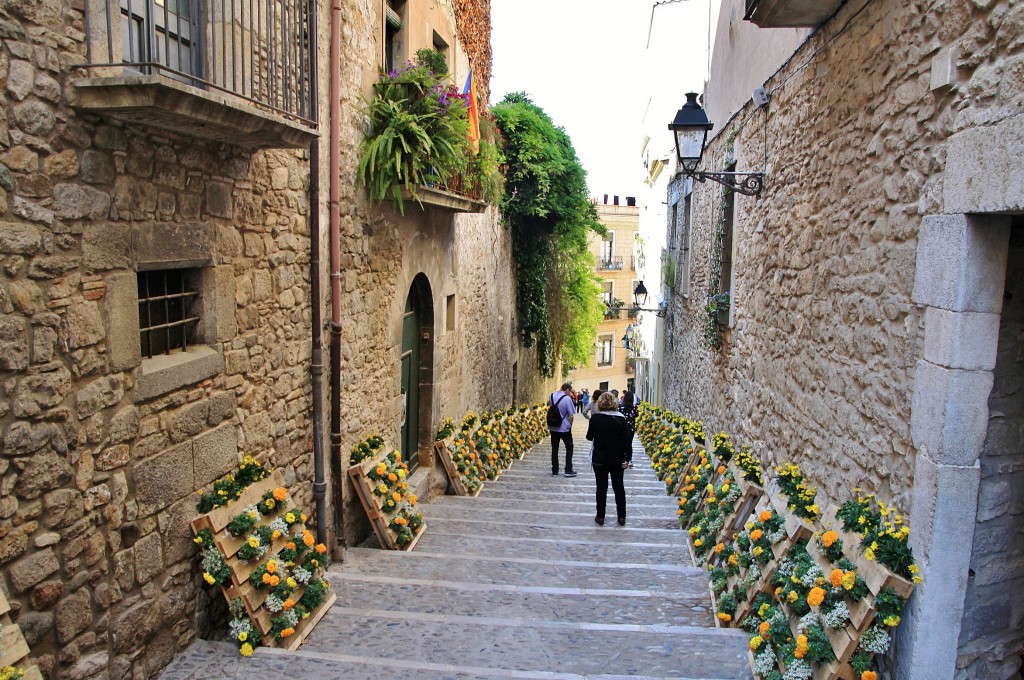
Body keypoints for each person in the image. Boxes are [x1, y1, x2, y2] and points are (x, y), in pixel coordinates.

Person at [586, 392, 630, 525]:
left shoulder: (595, 418)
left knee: (601, 487)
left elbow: (589, 436)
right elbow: (627, 441)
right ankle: (621, 516)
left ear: (600, 403)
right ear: (614, 403)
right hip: (617, 459)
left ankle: (600, 516)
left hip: (600, 458)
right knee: (618, 487)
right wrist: (627, 458)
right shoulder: (621, 419)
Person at [548, 382, 577, 477]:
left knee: (554, 449)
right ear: (567, 389)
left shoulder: (551, 395)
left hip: (553, 426)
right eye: (570, 391)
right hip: (564, 427)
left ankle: (555, 470)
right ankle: (568, 469)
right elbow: (571, 415)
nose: (570, 393)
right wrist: (570, 426)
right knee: (569, 447)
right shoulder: (567, 398)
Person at [619, 390, 638, 468]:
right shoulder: (634, 408)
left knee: (621, 443)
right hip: (630, 429)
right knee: (629, 443)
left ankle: (622, 458)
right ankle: (629, 459)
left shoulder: (620, 407)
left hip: (622, 428)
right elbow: (636, 415)